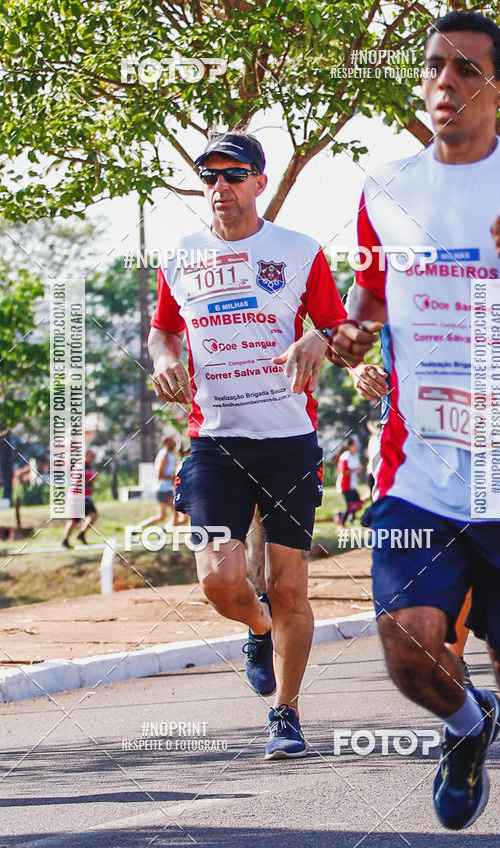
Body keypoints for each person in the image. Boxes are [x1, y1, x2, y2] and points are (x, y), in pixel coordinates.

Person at [331, 10, 500, 847]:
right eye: (435, 66)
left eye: (466, 70)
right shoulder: (384, 190)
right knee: (407, 644)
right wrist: (351, 331)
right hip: (418, 472)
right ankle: (466, 725)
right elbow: (368, 295)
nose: (445, 82)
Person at [148, 130, 346, 759]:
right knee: (219, 580)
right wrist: (162, 361)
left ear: (260, 181)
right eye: (210, 176)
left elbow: (342, 326)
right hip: (214, 442)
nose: (220, 187)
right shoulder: (179, 255)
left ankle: (284, 713)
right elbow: (161, 333)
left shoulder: (297, 250)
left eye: (234, 175)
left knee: (291, 585)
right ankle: (259, 629)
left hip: (288, 440)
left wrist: (321, 339)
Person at [137, 435, 187, 533]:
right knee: (172, 515)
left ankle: (140, 527)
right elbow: (160, 475)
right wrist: (174, 478)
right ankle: (140, 527)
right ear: (166, 443)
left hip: (167, 488)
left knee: (162, 517)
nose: (173, 443)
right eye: (171, 441)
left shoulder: (170, 454)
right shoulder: (164, 455)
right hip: (163, 488)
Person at [61, 449, 98, 548]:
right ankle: (65, 540)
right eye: (90, 456)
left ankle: (81, 534)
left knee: (93, 515)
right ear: (85, 456)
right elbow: (78, 481)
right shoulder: (80, 466)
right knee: (74, 520)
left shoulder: (89, 466)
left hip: (86, 498)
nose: (92, 458)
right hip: (77, 497)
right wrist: (91, 480)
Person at [336, 436, 363, 525]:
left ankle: (342, 515)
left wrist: (360, 471)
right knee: (350, 505)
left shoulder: (355, 456)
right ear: (350, 447)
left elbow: (357, 472)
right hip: (345, 485)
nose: (357, 448)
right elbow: (343, 472)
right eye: (355, 446)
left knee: (359, 504)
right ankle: (342, 523)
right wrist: (356, 469)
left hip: (353, 485)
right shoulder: (345, 457)